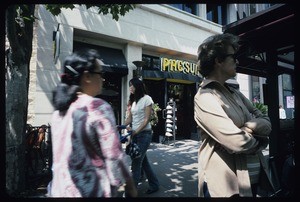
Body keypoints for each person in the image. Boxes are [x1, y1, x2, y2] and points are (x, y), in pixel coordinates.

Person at [194, 33, 277, 197]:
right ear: (218, 61)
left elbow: (266, 120)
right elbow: (237, 142)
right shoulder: (204, 97)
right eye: (233, 56)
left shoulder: (236, 93)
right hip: (226, 189)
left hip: (251, 184)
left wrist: (245, 128)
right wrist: (262, 139)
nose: (237, 61)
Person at [48, 49, 137, 197]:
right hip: (90, 190)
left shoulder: (59, 111)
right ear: (87, 76)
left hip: (59, 190)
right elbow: (114, 155)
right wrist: (129, 185)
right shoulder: (98, 107)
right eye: (100, 73)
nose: (102, 79)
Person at [123, 77, 160, 194]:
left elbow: (146, 119)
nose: (130, 88)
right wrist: (121, 126)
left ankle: (131, 193)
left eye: (131, 85)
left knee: (136, 162)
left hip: (144, 135)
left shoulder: (147, 99)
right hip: (135, 135)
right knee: (143, 162)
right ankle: (154, 185)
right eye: (129, 86)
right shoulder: (133, 102)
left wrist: (136, 131)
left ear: (137, 86)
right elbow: (130, 118)